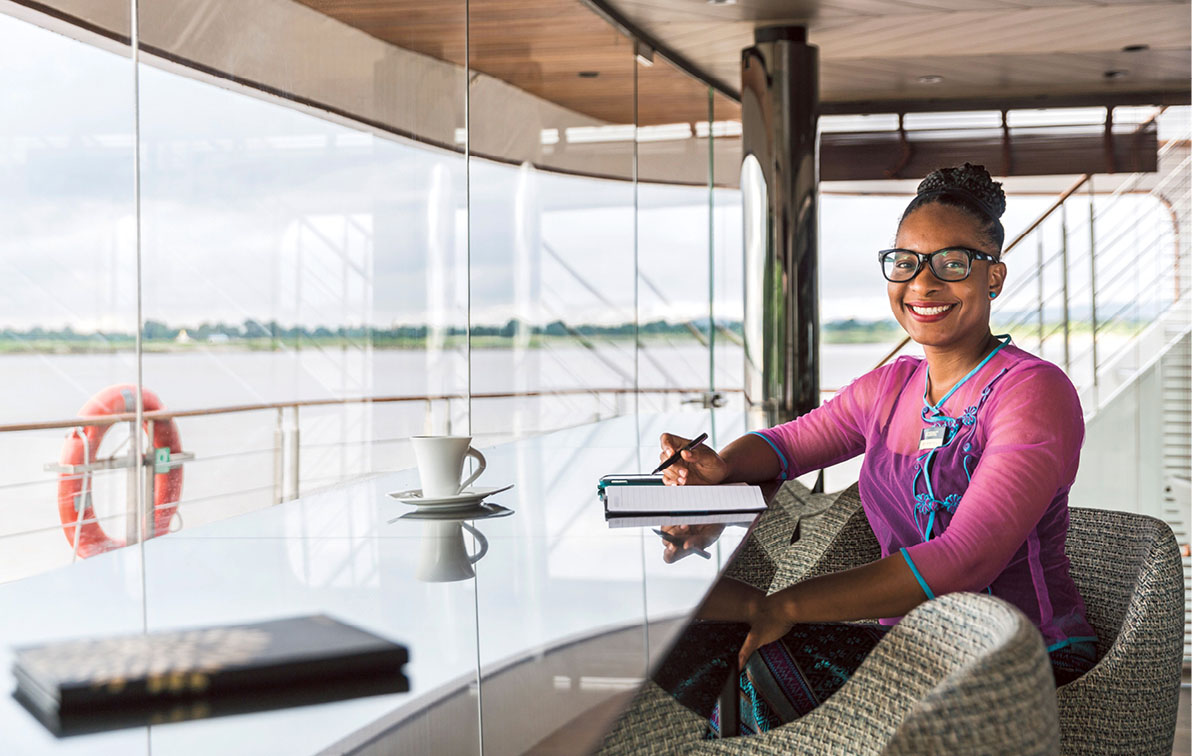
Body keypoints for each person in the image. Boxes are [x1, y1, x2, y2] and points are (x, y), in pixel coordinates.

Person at [657, 163, 1097, 736]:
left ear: (994, 277)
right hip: (911, 645)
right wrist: (720, 467)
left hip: (1021, 656)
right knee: (699, 644)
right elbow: (784, 446)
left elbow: (968, 558)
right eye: (906, 262)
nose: (923, 283)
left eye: (952, 263)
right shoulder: (890, 388)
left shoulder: (1031, 392)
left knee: (755, 660)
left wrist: (780, 606)